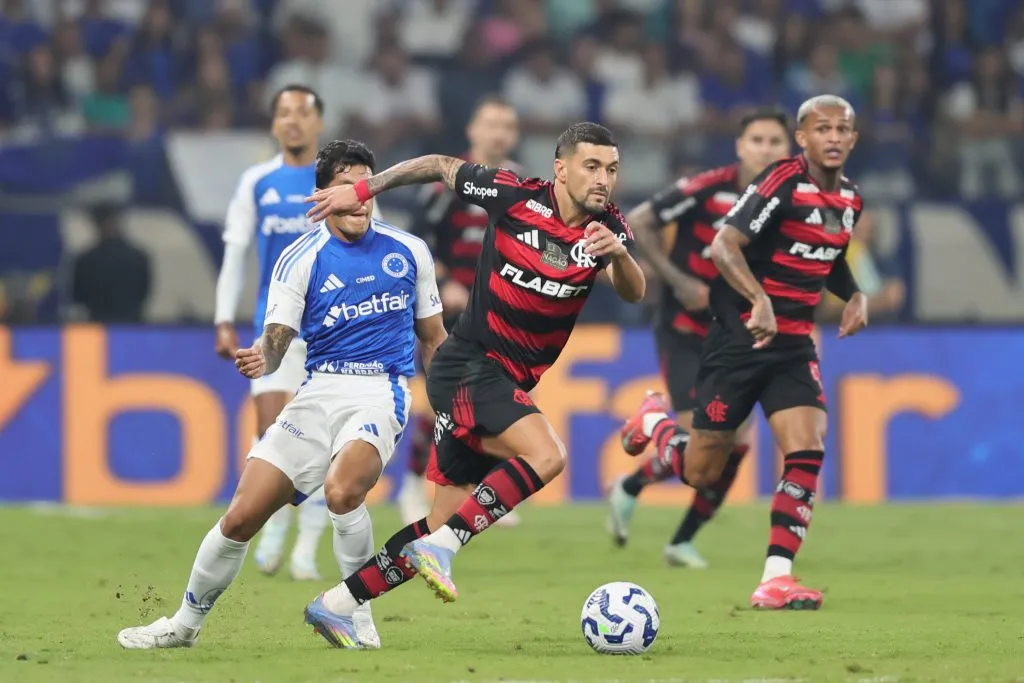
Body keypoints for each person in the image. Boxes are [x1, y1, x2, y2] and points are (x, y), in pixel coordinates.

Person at [299, 122, 646, 648]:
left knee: (439, 519)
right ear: (562, 168)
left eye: (612, 169)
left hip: (500, 382)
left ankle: (337, 603)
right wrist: (363, 189)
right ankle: (446, 547)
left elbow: (634, 292)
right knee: (547, 456)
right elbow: (438, 164)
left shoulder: (609, 227)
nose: (603, 179)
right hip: (467, 365)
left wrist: (619, 255)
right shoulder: (514, 197)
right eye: (592, 166)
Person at [116, 139, 447, 650]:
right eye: (345, 188)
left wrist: (452, 401)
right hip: (317, 393)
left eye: (366, 187)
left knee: (343, 491)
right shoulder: (300, 258)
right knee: (239, 518)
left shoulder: (409, 251)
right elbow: (276, 343)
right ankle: (184, 626)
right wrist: (261, 359)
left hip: (380, 391)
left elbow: (433, 338)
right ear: (321, 197)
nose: (359, 198)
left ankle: (355, 613)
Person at [620, 95, 868, 610]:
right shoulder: (780, 181)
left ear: (854, 138)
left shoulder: (849, 199)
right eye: (823, 128)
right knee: (701, 471)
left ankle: (776, 577)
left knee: (807, 446)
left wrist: (857, 295)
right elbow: (723, 246)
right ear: (803, 138)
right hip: (739, 340)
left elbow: (829, 256)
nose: (835, 137)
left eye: (844, 129)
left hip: (793, 344)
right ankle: (657, 426)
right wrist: (759, 299)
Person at [607, 108, 792, 568]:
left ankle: (674, 532)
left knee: (738, 442)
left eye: (774, 141)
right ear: (740, 145)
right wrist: (676, 280)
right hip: (686, 332)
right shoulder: (709, 186)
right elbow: (641, 218)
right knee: (699, 437)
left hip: (736, 334)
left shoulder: (791, 198)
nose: (766, 149)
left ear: (787, 149)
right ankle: (652, 430)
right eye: (757, 140)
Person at [213, 84, 384, 580]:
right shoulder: (257, 183)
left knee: (328, 442)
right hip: (276, 328)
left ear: (317, 123)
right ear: (273, 124)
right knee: (273, 433)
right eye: (283, 113)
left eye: (302, 113)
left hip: (335, 331)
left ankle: (307, 546)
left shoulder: (345, 186)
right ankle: (274, 529)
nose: (292, 121)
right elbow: (235, 252)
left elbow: (377, 240)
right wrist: (225, 317)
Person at [397, 94, 523, 529]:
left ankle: (482, 492)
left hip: (503, 318)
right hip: (449, 314)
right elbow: (416, 242)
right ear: (473, 130)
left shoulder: (524, 189)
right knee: (439, 406)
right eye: (491, 123)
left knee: (496, 405)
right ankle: (413, 487)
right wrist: (442, 278)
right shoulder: (449, 183)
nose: (499, 132)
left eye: (506, 125)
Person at [71, 203, 151, 323]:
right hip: (132, 326)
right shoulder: (138, 257)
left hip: (98, 326)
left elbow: (77, 296)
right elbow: (144, 293)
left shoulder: (86, 259)